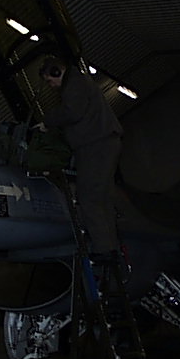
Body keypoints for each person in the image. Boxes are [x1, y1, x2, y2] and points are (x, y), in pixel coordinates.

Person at [34, 56, 123, 259]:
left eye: (50, 80)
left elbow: (72, 112)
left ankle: (103, 249)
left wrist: (48, 122)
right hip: (104, 144)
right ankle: (110, 247)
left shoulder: (74, 84)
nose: (51, 85)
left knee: (88, 197)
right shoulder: (80, 82)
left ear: (57, 71)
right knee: (102, 198)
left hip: (95, 146)